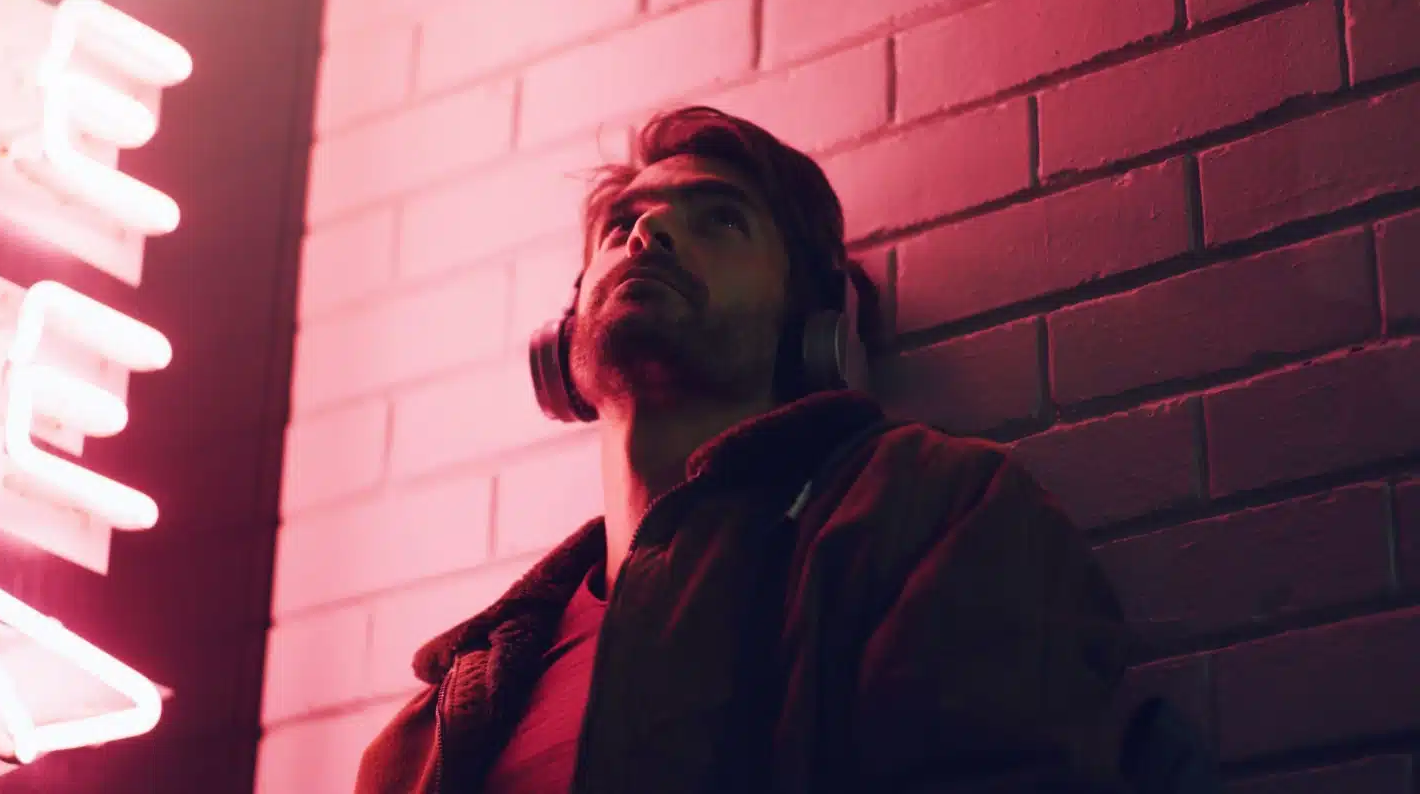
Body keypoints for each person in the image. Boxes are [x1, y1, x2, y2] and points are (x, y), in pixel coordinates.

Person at [354, 106, 1145, 794]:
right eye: (621, 225)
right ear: (560, 344)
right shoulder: (442, 710)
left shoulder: (930, 510)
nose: (649, 234)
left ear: (814, 328)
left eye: (719, 219)